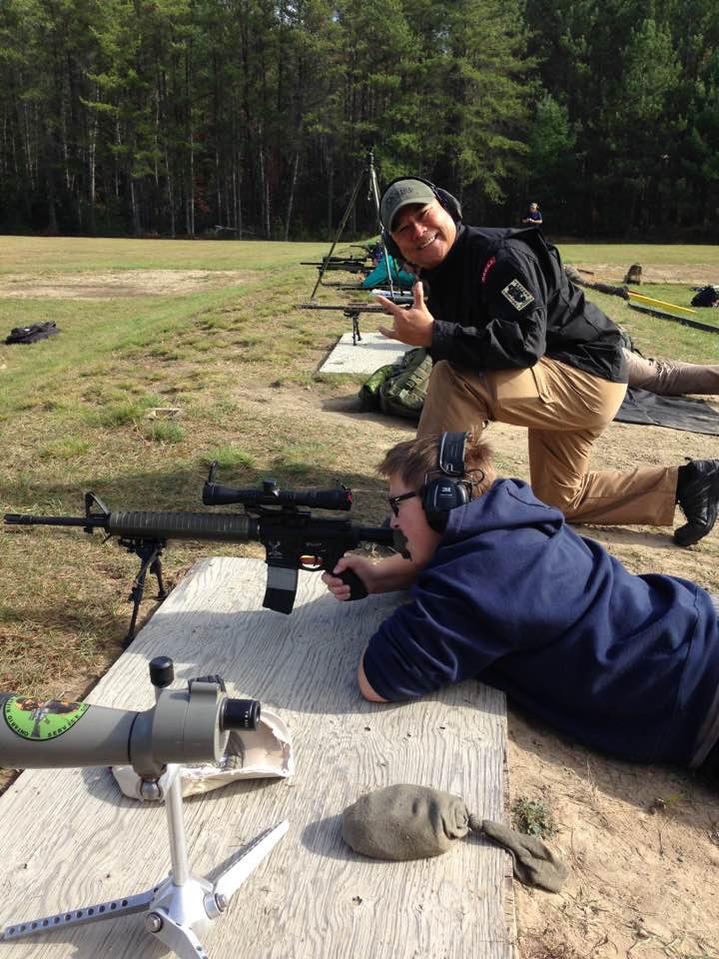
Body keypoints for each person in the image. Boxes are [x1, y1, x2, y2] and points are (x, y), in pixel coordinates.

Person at [322, 431, 719, 778]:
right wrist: (381, 577)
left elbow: (379, 678)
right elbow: (462, 564)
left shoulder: (477, 579)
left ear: (441, 502)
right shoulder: (513, 508)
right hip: (690, 624)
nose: (392, 522)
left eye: (397, 506)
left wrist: (413, 580)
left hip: (696, 699)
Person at [375, 177, 719, 547]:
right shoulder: (441, 275)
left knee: (453, 378)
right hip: (561, 376)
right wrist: (432, 335)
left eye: (423, 214)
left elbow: (524, 343)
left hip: (586, 375)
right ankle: (688, 483)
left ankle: (429, 509)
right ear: (395, 246)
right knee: (560, 499)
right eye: (403, 229)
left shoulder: (499, 257)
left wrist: (435, 334)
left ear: (447, 208)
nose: (418, 231)